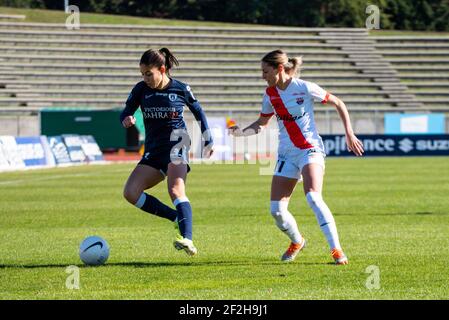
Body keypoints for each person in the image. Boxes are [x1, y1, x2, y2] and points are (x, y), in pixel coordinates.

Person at [229, 49, 364, 265]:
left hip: (309, 148)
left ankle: (336, 250)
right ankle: (297, 241)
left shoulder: (304, 87)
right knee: (277, 211)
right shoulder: (270, 94)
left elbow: (338, 102)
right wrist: (241, 133)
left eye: (265, 71)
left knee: (312, 196)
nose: (262, 76)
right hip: (286, 154)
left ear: (279, 68)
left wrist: (349, 133)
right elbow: (262, 124)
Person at [121, 48, 214, 256]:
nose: (145, 78)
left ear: (162, 69)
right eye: (142, 74)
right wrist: (126, 118)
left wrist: (208, 138)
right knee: (130, 193)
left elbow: (198, 112)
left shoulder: (181, 88)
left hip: (177, 143)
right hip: (154, 149)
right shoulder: (140, 90)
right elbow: (126, 110)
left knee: (175, 190)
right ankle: (175, 217)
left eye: (148, 74)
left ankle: (187, 238)